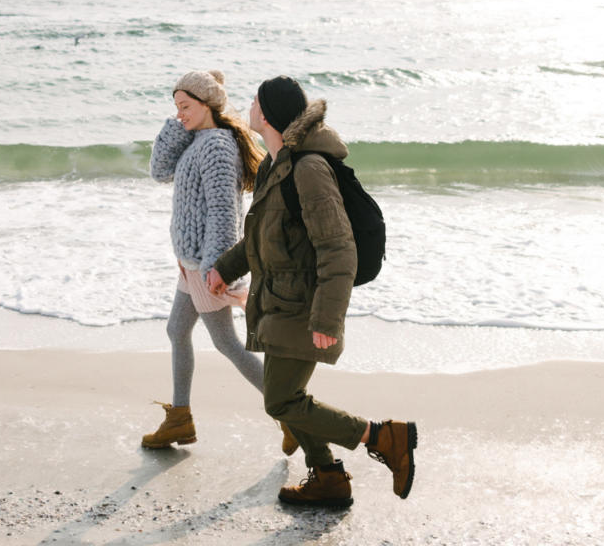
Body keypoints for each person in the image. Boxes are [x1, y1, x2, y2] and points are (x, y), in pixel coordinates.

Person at [207, 76, 416, 508]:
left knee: (281, 399)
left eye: (254, 101)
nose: (248, 107)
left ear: (266, 114)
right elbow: (261, 237)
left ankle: (383, 436)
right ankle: (328, 477)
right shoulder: (275, 163)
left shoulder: (308, 168)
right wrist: (225, 269)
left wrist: (327, 319)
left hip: (303, 304)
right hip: (279, 300)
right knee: (285, 399)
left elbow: (338, 247)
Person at [142, 69, 273, 450]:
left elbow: (222, 212)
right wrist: (180, 125)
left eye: (185, 107)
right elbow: (159, 171)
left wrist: (219, 268)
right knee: (178, 331)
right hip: (191, 264)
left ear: (206, 105)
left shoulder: (216, 146)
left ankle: (288, 410)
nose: (179, 113)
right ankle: (179, 419)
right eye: (176, 107)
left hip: (206, 265)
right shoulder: (196, 139)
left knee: (227, 344)